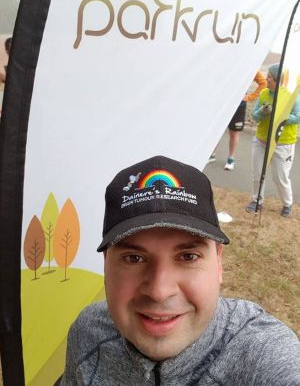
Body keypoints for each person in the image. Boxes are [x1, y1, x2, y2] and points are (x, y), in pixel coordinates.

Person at [60, 155, 300, 385]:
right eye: (134, 258)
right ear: (106, 264)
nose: (159, 291)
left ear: (219, 262)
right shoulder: (87, 334)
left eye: (188, 257)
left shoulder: (261, 356)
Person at [246, 64, 300, 217]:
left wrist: (280, 115)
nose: (266, 78)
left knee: (280, 176)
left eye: (268, 76)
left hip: (283, 143)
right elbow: (255, 116)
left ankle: (287, 203)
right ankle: (257, 201)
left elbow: (298, 117)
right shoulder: (264, 93)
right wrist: (262, 112)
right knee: (257, 173)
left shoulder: (292, 96)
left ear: (276, 80)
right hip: (261, 141)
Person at [209, 71, 267, 170]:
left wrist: (249, 97)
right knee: (216, 130)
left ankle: (231, 158)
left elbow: (263, 83)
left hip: (239, 106)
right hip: (222, 104)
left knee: (234, 133)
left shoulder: (252, 67)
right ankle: (211, 154)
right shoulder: (229, 63)